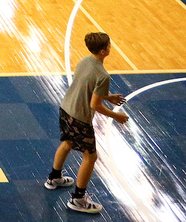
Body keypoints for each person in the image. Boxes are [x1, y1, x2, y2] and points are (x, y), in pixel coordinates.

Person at [45, 31, 128, 214]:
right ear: (103, 50)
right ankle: (78, 199)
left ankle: (54, 178)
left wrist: (108, 96)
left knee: (67, 143)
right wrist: (117, 116)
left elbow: (85, 86)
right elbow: (94, 105)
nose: (110, 47)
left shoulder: (84, 61)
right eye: (108, 45)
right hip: (80, 119)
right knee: (90, 157)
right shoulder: (103, 75)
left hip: (66, 109)